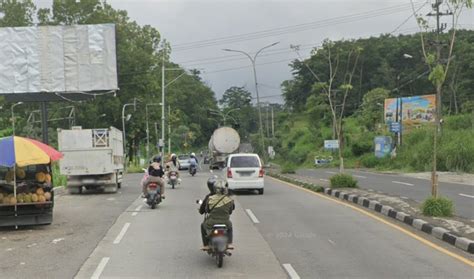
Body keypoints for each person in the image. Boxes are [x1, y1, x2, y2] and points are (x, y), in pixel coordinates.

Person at [199, 176, 234, 250]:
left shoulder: (210, 198)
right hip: (226, 222)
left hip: (211, 222)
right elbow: (230, 211)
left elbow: (207, 210)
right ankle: (230, 243)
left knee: (202, 226)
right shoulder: (229, 199)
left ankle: (206, 245)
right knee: (230, 227)